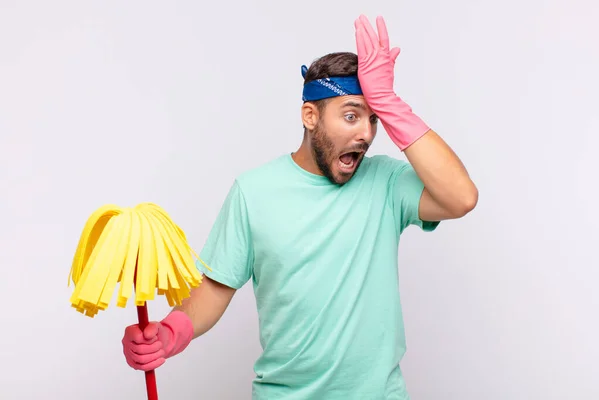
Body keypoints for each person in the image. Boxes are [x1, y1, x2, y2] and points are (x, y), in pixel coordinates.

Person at [121, 14, 478, 399]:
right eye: (351, 115)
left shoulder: (386, 183)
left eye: (373, 120)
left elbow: (461, 197)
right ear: (310, 116)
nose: (366, 133)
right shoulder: (254, 192)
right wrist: (170, 333)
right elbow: (214, 286)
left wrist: (390, 104)